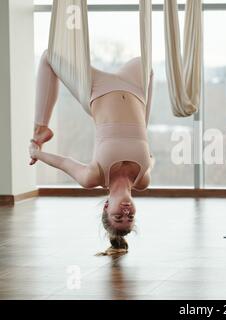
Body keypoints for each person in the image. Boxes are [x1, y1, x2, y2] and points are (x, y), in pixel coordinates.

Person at [29, 50, 155, 255]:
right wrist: (150, 159)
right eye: (130, 218)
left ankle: (41, 128)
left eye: (118, 217)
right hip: (135, 89)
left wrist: (37, 153)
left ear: (106, 206)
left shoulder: (93, 177)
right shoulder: (142, 180)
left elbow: (64, 163)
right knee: (147, 65)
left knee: (50, 56)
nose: (125, 213)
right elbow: (151, 159)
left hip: (97, 89)